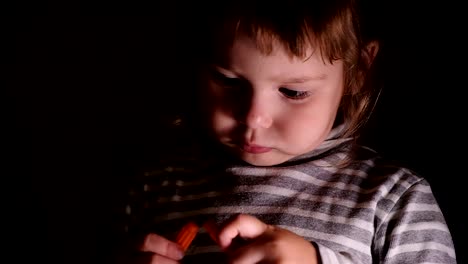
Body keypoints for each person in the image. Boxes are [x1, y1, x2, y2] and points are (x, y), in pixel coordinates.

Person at [112, 0, 457, 263]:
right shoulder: (156, 187)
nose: (253, 118)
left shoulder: (393, 199)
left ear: (358, 72)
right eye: (228, 81)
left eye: (293, 92)